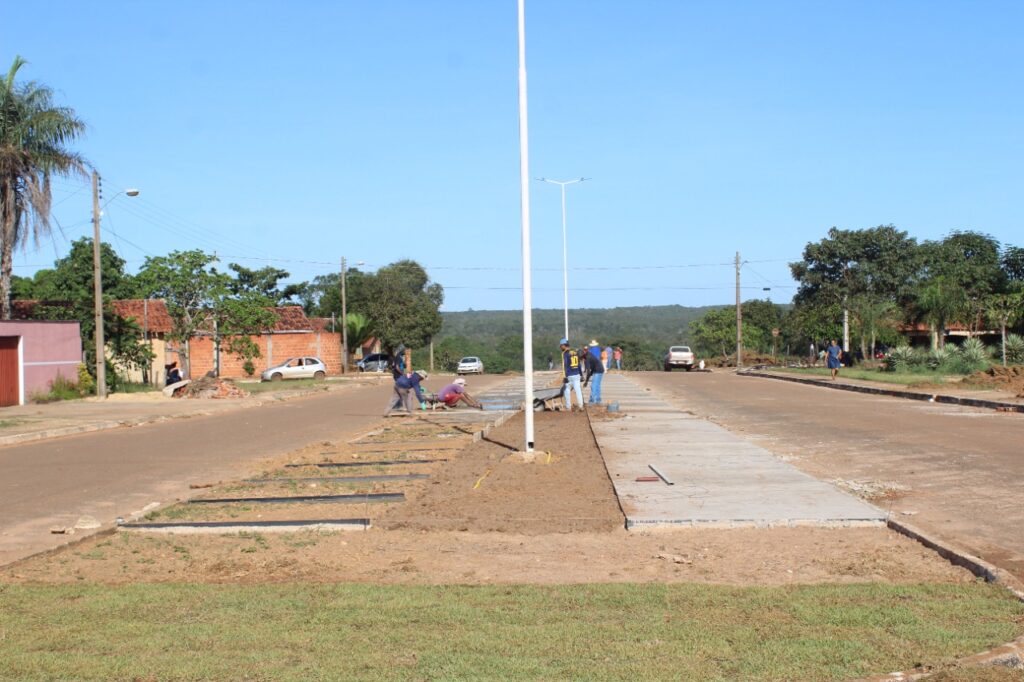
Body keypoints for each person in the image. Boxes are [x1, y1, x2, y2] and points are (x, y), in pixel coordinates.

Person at [560, 338, 584, 411]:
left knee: (566, 390)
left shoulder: (565, 353)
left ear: (564, 345)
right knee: (578, 390)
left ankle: (568, 407)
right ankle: (581, 406)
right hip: (577, 375)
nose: (560, 347)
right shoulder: (575, 352)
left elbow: (565, 365)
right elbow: (579, 364)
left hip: (570, 375)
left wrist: (565, 376)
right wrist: (581, 375)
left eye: (561, 346)